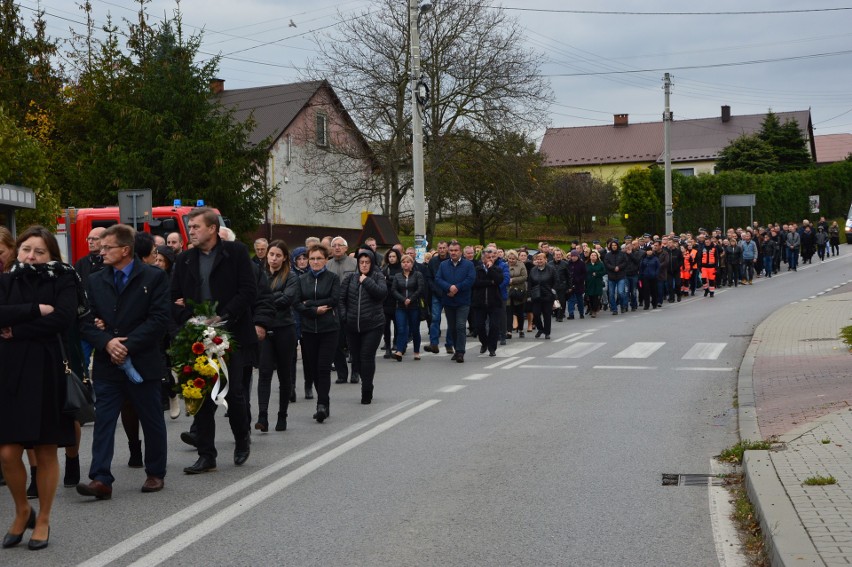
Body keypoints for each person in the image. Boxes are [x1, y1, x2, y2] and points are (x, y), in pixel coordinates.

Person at [0, 226, 79, 550]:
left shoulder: (64, 278)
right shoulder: (6, 279)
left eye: (39, 251)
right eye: (26, 250)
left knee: (45, 450)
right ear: (17, 251)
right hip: (8, 372)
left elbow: (62, 319)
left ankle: (42, 518)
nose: (31, 256)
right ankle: (22, 509)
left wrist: (16, 330)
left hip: (46, 370)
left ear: (51, 255)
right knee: (7, 452)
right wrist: (35, 310)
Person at [77, 224, 170, 499]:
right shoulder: (95, 279)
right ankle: (101, 478)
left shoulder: (154, 278)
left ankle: (155, 472)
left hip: (142, 361)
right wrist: (107, 342)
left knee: (151, 418)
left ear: (125, 250)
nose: (101, 251)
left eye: (107, 247)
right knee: (104, 420)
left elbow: (158, 320)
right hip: (108, 363)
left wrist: (125, 345)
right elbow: (85, 320)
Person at [172, 207, 257, 474]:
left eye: (196, 227)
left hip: (230, 333)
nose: (191, 232)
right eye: (189, 227)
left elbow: (248, 291)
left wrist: (223, 317)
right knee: (201, 393)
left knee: (234, 393)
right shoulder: (185, 259)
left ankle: (242, 439)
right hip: (196, 335)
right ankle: (206, 454)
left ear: (211, 228)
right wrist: (192, 319)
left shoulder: (237, 253)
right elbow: (173, 297)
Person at [256, 240, 298, 432]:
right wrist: (271, 297)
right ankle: (262, 416)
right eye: (271, 254)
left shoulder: (291, 276)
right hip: (264, 329)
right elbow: (253, 297)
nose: (273, 258)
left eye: (278, 255)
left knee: (284, 374)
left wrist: (265, 300)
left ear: (284, 258)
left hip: (285, 329)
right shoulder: (259, 274)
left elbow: (287, 299)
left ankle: (282, 415)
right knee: (264, 372)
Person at [294, 244, 339, 422]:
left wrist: (308, 303)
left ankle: (321, 405)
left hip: (329, 328)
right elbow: (297, 303)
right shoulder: (302, 279)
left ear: (325, 260)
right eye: (312, 258)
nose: (314, 262)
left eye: (318, 258)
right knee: (312, 369)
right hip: (308, 329)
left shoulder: (333, 278)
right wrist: (313, 310)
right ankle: (325, 402)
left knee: (323, 368)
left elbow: (334, 299)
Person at [340, 250, 387, 404]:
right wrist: (344, 316)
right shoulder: (350, 278)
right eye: (362, 262)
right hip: (352, 325)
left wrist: (366, 280)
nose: (364, 265)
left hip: (373, 324)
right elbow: (341, 299)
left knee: (367, 356)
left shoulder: (378, 276)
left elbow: (381, 294)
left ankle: (366, 389)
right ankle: (365, 380)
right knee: (357, 358)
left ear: (372, 263)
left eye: (367, 262)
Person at [435, 241, 475, 363]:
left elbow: (470, 279)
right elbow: (438, 278)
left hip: (463, 300)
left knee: (461, 326)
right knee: (452, 328)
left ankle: (460, 352)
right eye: (451, 250)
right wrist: (448, 287)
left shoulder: (468, 265)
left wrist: (457, 287)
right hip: (448, 300)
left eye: (456, 250)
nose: (453, 253)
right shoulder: (443, 265)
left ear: (460, 251)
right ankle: (456, 349)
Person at [327, 237, 356, 384]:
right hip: (334, 308)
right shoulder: (327, 265)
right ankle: (342, 373)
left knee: (353, 342)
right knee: (336, 343)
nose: (337, 247)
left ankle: (355, 372)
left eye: (340, 245)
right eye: (334, 245)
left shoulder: (355, 263)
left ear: (346, 248)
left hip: (351, 307)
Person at [391, 253, 424, 362]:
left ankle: (416, 352)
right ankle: (399, 351)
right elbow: (394, 290)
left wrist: (410, 299)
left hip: (414, 306)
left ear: (412, 264)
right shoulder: (397, 276)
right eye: (403, 262)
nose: (406, 264)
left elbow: (420, 289)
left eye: (408, 262)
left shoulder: (417, 274)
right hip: (400, 306)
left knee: (414, 329)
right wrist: (403, 299)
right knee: (401, 329)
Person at [471, 247, 504, 356]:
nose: (490, 259)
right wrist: (490, 282)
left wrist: (490, 269)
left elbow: (498, 280)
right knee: (479, 326)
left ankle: (492, 347)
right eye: (488, 257)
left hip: (494, 302)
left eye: (492, 257)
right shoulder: (477, 269)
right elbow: (475, 283)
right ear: (483, 258)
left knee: (494, 326)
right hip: (479, 302)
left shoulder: (497, 269)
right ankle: (484, 343)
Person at [426, 241, 451, 354]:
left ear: (447, 249)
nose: (442, 250)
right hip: (437, 294)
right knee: (435, 319)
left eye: (444, 248)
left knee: (451, 320)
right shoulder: (433, 261)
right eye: (440, 248)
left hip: (450, 294)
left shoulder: (452, 260)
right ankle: (434, 343)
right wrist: (435, 290)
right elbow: (429, 278)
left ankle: (449, 344)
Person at [527, 251, 556, 339]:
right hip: (536, 295)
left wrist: (553, 291)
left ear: (545, 260)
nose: (539, 261)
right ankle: (540, 328)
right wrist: (529, 295)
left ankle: (547, 332)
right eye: (537, 259)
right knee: (536, 313)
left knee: (547, 314)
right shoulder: (533, 270)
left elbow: (555, 281)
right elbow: (530, 283)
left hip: (547, 295)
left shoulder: (551, 269)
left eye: (541, 259)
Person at [381, 249, 402, 360]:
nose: (392, 258)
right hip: (386, 301)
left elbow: (400, 281)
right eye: (390, 256)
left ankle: (396, 344)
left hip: (398, 301)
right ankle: (388, 347)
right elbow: (381, 281)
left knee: (398, 325)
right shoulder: (385, 269)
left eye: (394, 256)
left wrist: (388, 279)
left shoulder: (401, 268)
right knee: (386, 326)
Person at [506, 250, 528, 336]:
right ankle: (509, 331)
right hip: (508, 291)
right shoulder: (505, 265)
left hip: (518, 291)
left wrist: (513, 280)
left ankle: (521, 329)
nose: (511, 260)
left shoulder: (521, 265)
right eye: (509, 258)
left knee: (519, 312)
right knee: (509, 312)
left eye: (513, 258)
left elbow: (524, 277)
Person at [603, 240, 627, 315]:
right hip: (611, 276)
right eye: (612, 245)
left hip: (621, 276)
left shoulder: (622, 254)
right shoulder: (608, 255)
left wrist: (619, 267)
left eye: (615, 245)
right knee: (611, 294)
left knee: (620, 293)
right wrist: (613, 268)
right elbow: (606, 264)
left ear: (617, 246)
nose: (614, 246)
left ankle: (622, 306)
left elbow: (625, 262)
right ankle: (614, 309)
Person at [566, 250, 586, 319]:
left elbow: (584, 274)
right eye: (572, 256)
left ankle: (581, 313)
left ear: (578, 256)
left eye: (575, 256)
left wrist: (579, 279)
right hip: (570, 284)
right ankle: (571, 314)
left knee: (579, 299)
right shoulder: (568, 263)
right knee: (570, 299)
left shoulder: (581, 263)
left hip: (579, 284)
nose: (573, 257)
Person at [585, 250, 606, 318]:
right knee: (590, 297)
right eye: (592, 255)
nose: (593, 257)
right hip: (589, 283)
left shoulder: (600, 264)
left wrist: (597, 274)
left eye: (595, 255)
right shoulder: (587, 264)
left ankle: (594, 310)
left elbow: (604, 271)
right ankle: (591, 308)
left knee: (596, 297)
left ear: (597, 257)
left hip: (597, 283)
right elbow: (584, 272)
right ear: (590, 257)